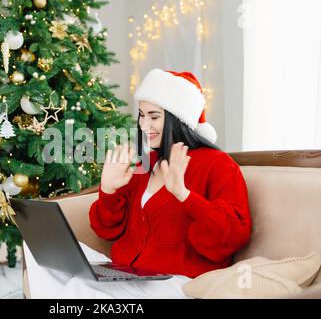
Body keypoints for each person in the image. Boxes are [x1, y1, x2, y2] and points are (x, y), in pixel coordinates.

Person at [24, 69, 252, 299]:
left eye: (154, 116)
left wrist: (184, 195)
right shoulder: (146, 163)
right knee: (42, 257)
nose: (144, 125)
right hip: (129, 274)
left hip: (178, 282)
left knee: (80, 289)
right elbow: (107, 230)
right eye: (141, 115)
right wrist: (109, 190)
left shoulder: (219, 165)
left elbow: (231, 236)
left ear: (177, 119)